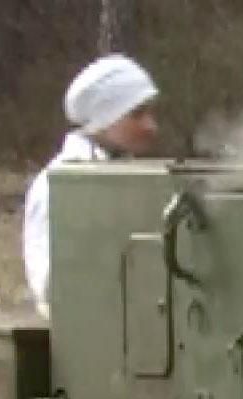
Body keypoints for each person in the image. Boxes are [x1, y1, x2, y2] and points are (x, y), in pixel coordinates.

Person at [23, 55, 160, 319]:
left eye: (150, 113)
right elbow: (50, 286)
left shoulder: (135, 180)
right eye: (137, 114)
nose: (151, 126)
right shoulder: (58, 184)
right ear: (105, 118)